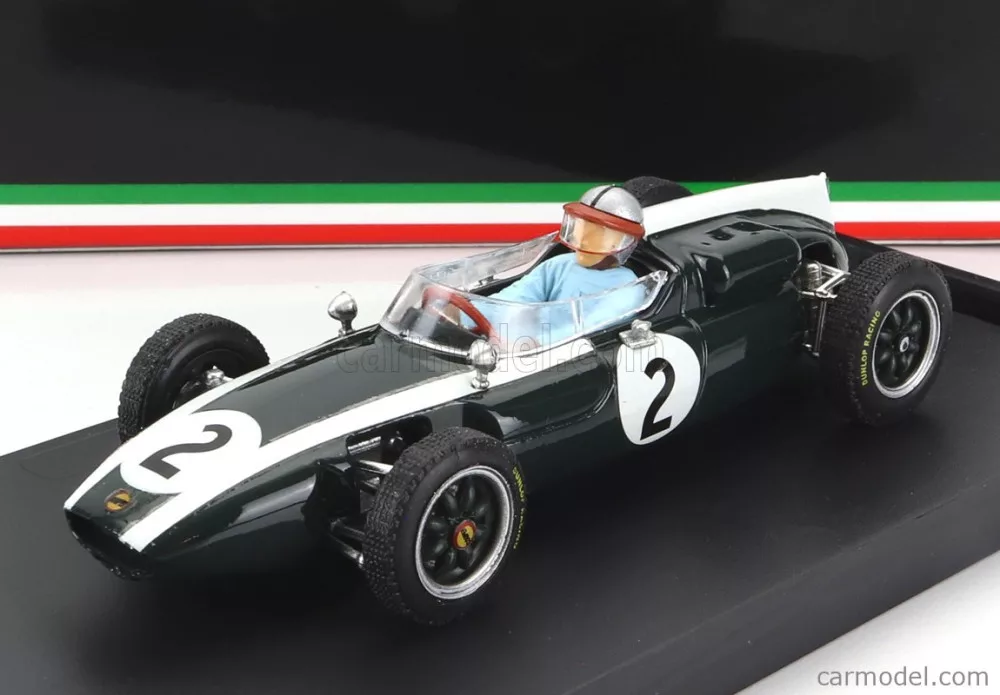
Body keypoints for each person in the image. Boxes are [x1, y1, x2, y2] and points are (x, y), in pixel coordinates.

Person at [457, 184, 650, 347]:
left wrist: (535, 344)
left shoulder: (629, 289)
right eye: (581, 228)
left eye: (598, 235)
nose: (583, 240)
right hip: (510, 348)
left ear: (625, 242)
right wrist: (463, 314)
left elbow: (589, 329)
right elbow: (513, 299)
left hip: (563, 359)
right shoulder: (560, 265)